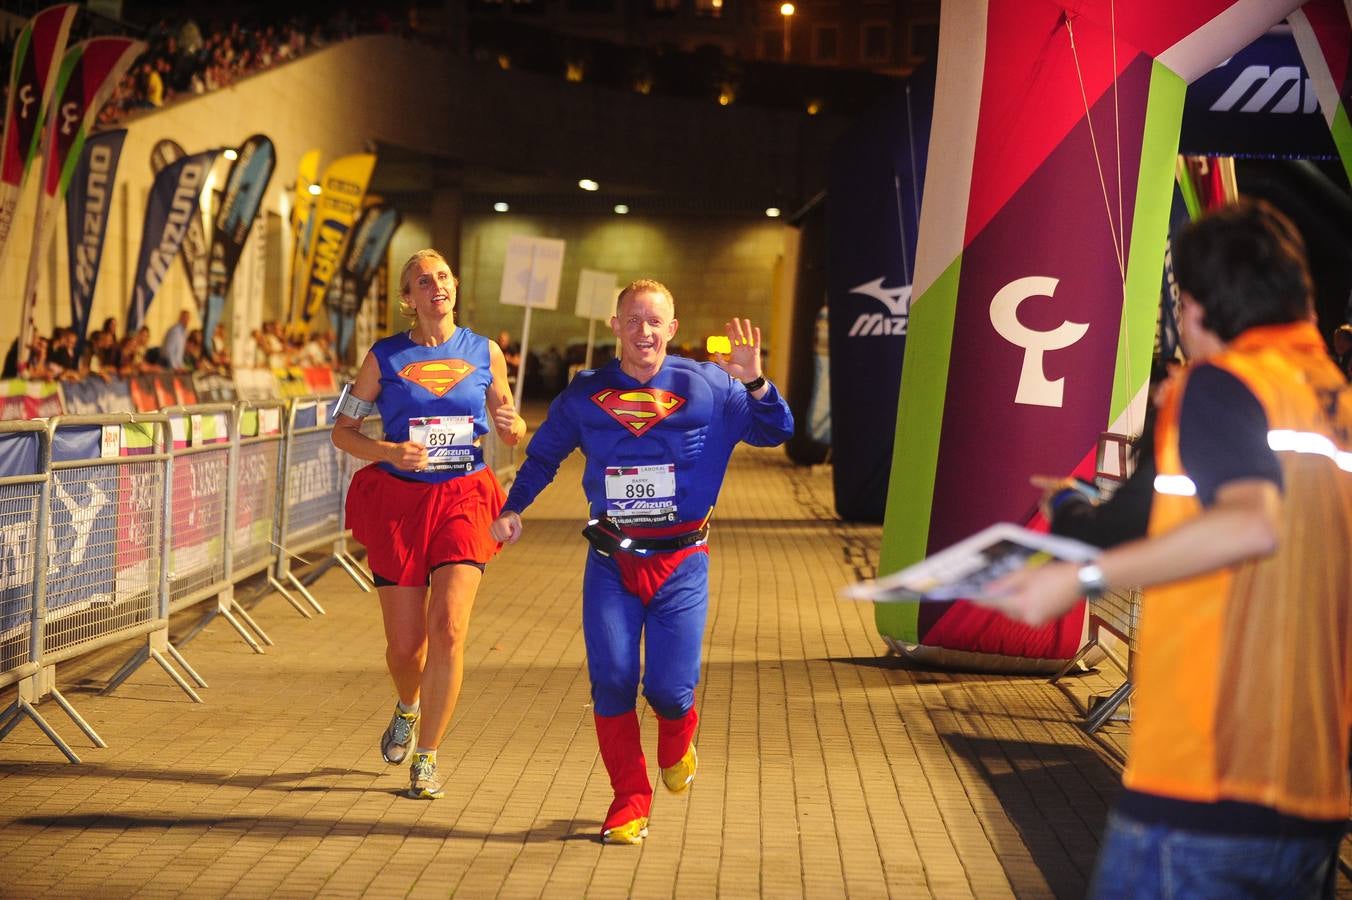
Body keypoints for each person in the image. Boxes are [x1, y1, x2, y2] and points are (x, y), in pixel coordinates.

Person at [987, 200, 1352, 898]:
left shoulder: (1224, 384)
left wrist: (1078, 577)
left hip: (1205, 782)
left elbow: (1250, 525)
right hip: (1313, 795)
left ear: (1198, 307)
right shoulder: (1333, 398)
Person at [489, 278, 794, 844]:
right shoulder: (585, 393)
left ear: (672, 329)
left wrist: (754, 382)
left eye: (654, 321)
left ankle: (678, 741)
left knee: (669, 692)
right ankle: (630, 800)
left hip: (682, 563)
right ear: (616, 326)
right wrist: (513, 507)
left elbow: (778, 431)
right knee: (612, 681)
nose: (644, 331)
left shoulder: (710, 386)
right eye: (632, 320)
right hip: (612, 561)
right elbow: (543, 456)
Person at [331, 249, 525, 800]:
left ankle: (428, 757)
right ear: (408, 298)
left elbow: (511, 425)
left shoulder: (485, 351)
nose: (435, 285)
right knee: (405, 648)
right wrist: (388, 451)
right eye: (423, 280)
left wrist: (513, 425)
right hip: (400, 502)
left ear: (454, 286)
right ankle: (407, 705)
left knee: (449, 628)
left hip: (464, 496)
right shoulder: (385, 356)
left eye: (442, 277)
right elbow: (343, 432)